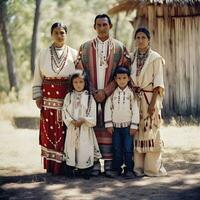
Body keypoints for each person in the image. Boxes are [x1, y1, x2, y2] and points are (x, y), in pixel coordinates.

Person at [75, 14, 131, 177]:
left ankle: (110, 166)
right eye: (98, 25)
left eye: (104, 25)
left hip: (112, 97)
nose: (101, 28)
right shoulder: (84, 48)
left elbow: (125, 72)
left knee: (109, 129)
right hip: (90, 97)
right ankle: (92, 164)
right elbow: (80, 72)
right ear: (94, 27)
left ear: (110, 26)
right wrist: (94, 91)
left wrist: (105, 92)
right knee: (91, 129)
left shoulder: (120, 48)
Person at [32, 22, 77, 175]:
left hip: (68, 99)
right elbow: (38, 76)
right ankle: (52, 166)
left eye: (62, 32)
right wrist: (38, 96)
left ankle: (67, 165)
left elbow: (78, 78)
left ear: (66, 34)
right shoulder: (43, 53)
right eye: (56, 32)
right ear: (51, 34)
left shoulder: (74, 53)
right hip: (48, 98)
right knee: (49, 131)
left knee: (66, 131)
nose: (59, 35)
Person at [130, 27, 167, 177]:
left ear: (149, 39)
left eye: (143, 37)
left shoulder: (155, 58)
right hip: (136, 99)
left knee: (151, 131)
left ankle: (151, 169)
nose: (140, 40)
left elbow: (158, 83)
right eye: (137, 37)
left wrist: (152, 105)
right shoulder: (132, 57)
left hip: (150, 98)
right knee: (138, 132)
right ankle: (138, 168)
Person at [62, 70, 102, 179]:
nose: (78, 85)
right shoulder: (69, 96)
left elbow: (92, 113)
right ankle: (71, 169)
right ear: (72, 83)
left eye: (81, 82)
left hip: (85, 129)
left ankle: (85, 170)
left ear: (85, 83)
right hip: (72, 128)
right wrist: (71, 121)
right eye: (75, 82)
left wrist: (83, 120)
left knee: (84, 149)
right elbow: (64, 110)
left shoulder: (89, 98)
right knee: (72, 148)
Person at [104, 66, 139, 178]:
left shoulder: (131, 94)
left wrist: (134, 125)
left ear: (128, 78)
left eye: (124, 78)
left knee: (128, 149)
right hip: (116, 128)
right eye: (119, 78)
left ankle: (129, 169)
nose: (122, 81)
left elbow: (135, 110)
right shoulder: (112, 94)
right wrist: (108, 124)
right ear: (115, 79)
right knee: (116, 148)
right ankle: (116, 169)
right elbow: (108, 109)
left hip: (128, 127)